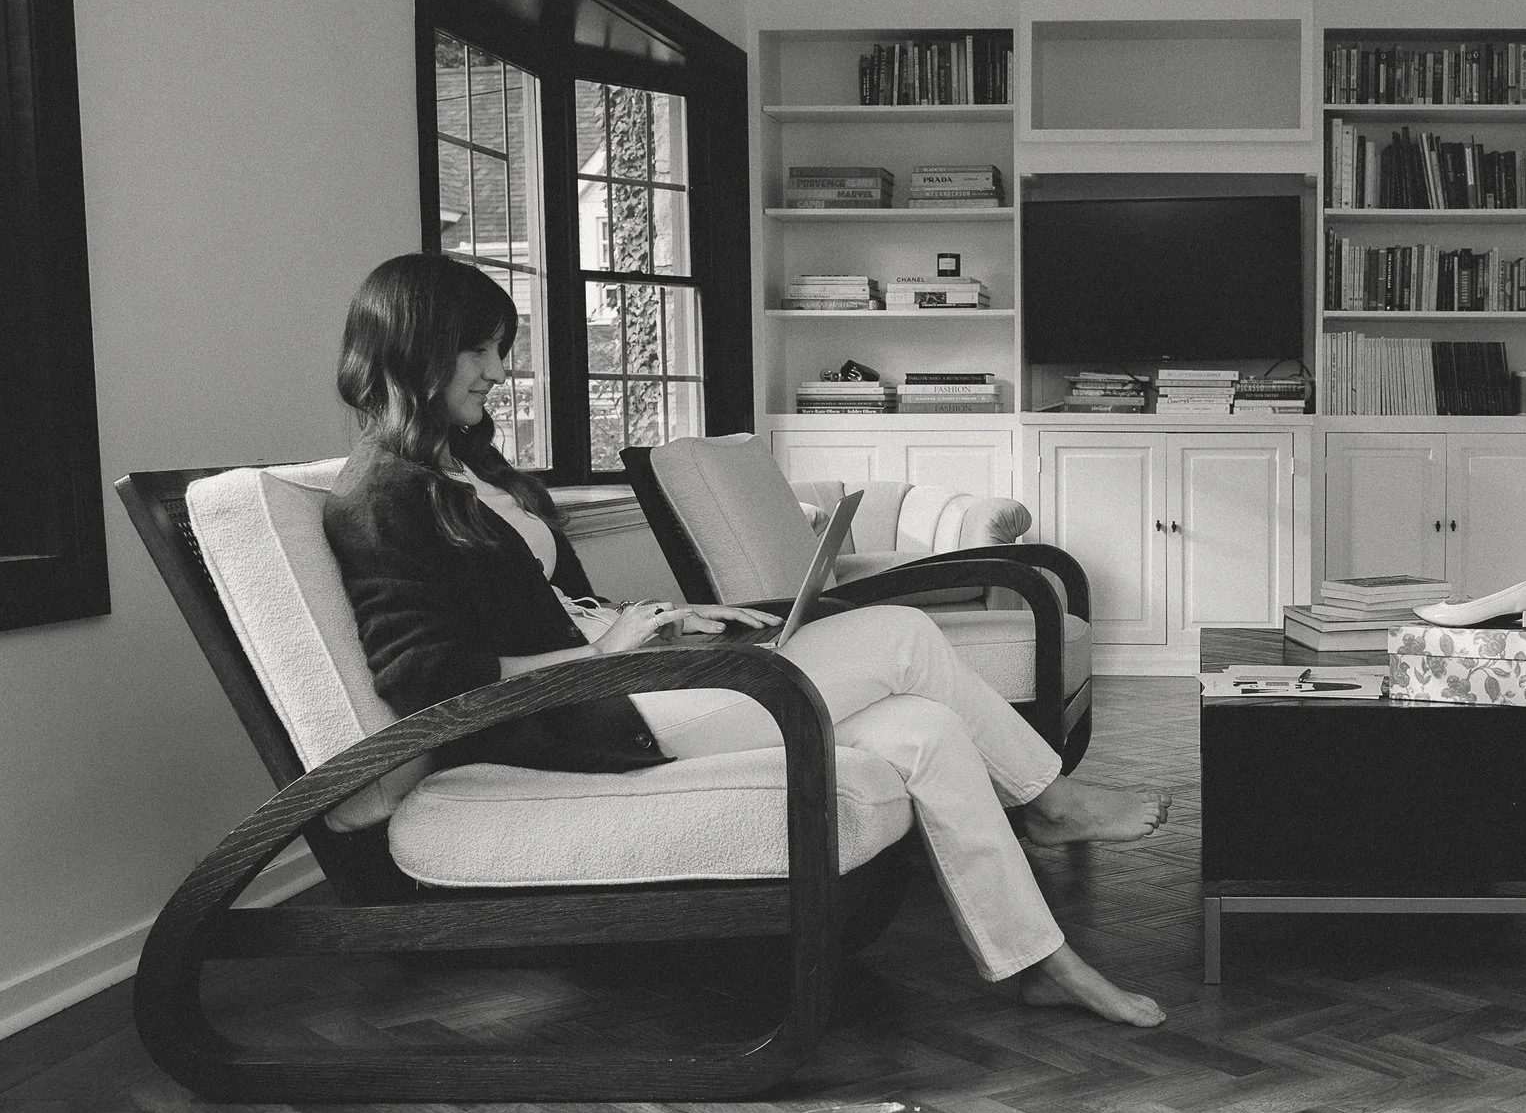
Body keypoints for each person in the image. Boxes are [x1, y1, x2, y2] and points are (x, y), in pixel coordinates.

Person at [323, 252, 1167, 1026]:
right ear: (412, 349)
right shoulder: (379, 496)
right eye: (478, 351)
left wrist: (663, 620)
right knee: (905, 633)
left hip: (641, 678)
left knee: (928, 728)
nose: (498, 373)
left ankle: (1041, 961)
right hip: (593, 719)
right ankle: (1051, 803)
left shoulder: (466, 470)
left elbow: (553, 602)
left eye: (499, 350)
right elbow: (425, 678)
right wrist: (601, 654)